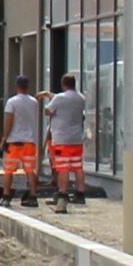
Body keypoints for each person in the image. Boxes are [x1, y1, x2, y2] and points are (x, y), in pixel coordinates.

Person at [47, 71, 89, 210]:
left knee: (63, 167)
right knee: (78, 167)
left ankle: (62, 193)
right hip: (76, 138)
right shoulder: (81, 98)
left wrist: (50, 98)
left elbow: (48, 110)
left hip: (61, 138)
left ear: (63, 84)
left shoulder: (59, 98)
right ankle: (80, 194)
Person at [1, 76, 42, 207]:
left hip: (14, 141)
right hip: (29, 141)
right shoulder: (33, 102)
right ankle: (33, 196)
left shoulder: (12, 102)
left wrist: (4, 137)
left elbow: (8, 121)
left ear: (16, 86)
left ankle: (6, 196)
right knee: (30, 170)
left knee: (9, 170)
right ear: (27, 86)